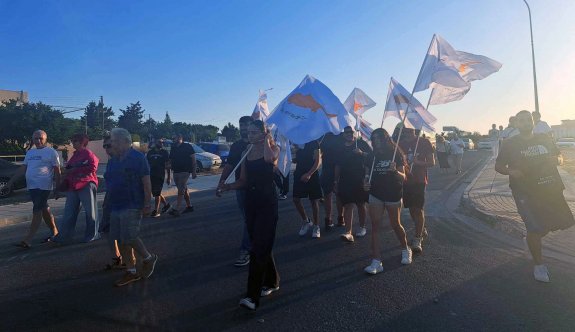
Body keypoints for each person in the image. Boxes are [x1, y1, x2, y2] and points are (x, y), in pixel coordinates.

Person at [495, 110, 574, 283]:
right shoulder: (509, 144)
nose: (525, 123)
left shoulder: (544, 138)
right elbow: (499, 166)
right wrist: (511, 171)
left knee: (553, 224)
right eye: (521, 121)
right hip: (524, 191)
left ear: (533, 122)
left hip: (549, 188)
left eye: (528, 120)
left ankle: (530, 240)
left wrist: (558, 160)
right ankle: (539, 265)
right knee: (535, 228)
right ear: (516, 124)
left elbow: (559, 156)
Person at [219, 120, 280, 311]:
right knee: (260, 244)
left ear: (263, 134)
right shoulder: (246, 152)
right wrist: (227, 186)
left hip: (268, 203)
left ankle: (252, 297)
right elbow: (244, 181)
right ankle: (272, 281)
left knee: (258, 249)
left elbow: (271, 161)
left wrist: (268, 140)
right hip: (251, 202)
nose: (249, 135)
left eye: (254, 132)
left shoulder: (274, 148)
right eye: (248, 133)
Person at [105, 128, 158, 287]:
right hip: (115, 205)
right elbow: (110, 182)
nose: (111, 144)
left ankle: (149, 258)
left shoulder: (138, 158)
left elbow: (146, 181)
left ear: (123, 141)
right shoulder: (113, 159)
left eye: (113, 141)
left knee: (129, 236)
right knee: (120, 240)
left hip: (133, 204)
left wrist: (147, 203)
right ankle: (131, 271)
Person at [363, 129, 411, 274]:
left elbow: (404, 177)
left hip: (393, 194)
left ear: (385, 139)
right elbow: (366, 175)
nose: (376, 141)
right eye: (374, 139)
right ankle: (376, 261)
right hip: (376, 194)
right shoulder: (372, 155)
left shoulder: (395, 153)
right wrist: (365, 182)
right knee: (375, 226)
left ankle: (405, 248)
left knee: (395, 224)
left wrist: (396, 171)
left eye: (379, 138)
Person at [7, 130, 60, 248]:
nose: (38, 141)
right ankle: (55, 232)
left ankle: (28, 239)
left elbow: (57, 170)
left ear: (45, 139)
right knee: (44, 209)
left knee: (37, 210)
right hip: (32, 186)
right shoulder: (30, 152)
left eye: (41, 138)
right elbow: (23, 168)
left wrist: (58, 187)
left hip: (44, 187)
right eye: (36, 138)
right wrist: (10, 182)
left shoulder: (51, 152)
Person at [217, 115, 253, 267]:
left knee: (253, 219)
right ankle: (250, 246)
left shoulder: (260, 143)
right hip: (241, 187)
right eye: (241, 126)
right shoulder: (236, 146)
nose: (243, 129)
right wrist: (221, 181)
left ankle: (246, 249)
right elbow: (230, 165)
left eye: (246, 125)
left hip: (260, 188)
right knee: (248, 219)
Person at [52, 133, 100, 244]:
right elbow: (68, 171)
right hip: (73, 186)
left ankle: (92, 235)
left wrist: (73, 170)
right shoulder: (74, 155)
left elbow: (93, 167)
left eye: (75, 141)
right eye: (72, 140)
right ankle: (64, 236)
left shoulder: (88, 153)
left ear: (83, 142)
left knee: (91, 212)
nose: (73, 142)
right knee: (69, 212)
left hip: (86, 184)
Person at [398, 128, 435, 253]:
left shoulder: (424, 142)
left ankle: (417, 238)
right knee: (411, 209)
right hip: (405, 181)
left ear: (415, 129)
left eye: (410, 129)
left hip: (419, 181)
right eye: (405, 130)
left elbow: (432, 163)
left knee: (418, 209)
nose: (407, 131)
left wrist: (417, 162)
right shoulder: (400, 143)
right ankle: (421, 228)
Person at [335, 126, 372, 242]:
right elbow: (338, 165)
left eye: (351, 132)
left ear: (354, 133)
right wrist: (335, 181)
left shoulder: (361, 143)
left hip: (360, 179)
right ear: (343, 135)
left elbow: (372, 158)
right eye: (346, 132)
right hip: (345, 180)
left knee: (361, 204)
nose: (349, 134)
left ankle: (362, 227)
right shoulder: (340, 148)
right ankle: (348, 232)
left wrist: (361, 153)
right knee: (348, 205)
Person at [293, 140, 323, 238]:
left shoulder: (314, 143)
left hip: (312, 174)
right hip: (298, 173)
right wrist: (294, 153)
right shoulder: (297, 142)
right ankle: (306, 221)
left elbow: (318, 161)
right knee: (296, 199)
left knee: (314, 201)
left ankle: (316, 226)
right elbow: (297, 159)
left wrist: (309, 174)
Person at [168, 134, 197, 216]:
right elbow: (170, 160)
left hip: (185, 171)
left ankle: (177, 209)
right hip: (176, 171)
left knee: (181, 189)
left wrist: (194, 171)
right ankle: (189, 206)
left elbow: (193, 159)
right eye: (173, 138)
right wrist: (168, 173)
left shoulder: (187, 146)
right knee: (183, 189)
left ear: (180, 138)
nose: (173, 139)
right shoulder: (173, 148)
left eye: (175, 138)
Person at [320, 133, 344, 229]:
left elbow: (319, 150)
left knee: (331, 195)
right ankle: (338, 219)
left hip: (330, 168)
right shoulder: (339, 134)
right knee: (334, 195)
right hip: (332, 168)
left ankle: (330, 220)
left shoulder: (323, 135)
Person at [146, 138, 171, 217]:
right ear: (155, 143)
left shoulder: (164, 152)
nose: (162, 144)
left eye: (162, 142)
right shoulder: (150, 153)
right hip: (150, 175)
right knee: (156, 192)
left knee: (157, 192)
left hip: (160, 175)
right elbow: (146, 165)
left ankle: (156, 211)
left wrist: (169, 177)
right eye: (160, 142)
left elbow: (168, 165)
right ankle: (166, 205)